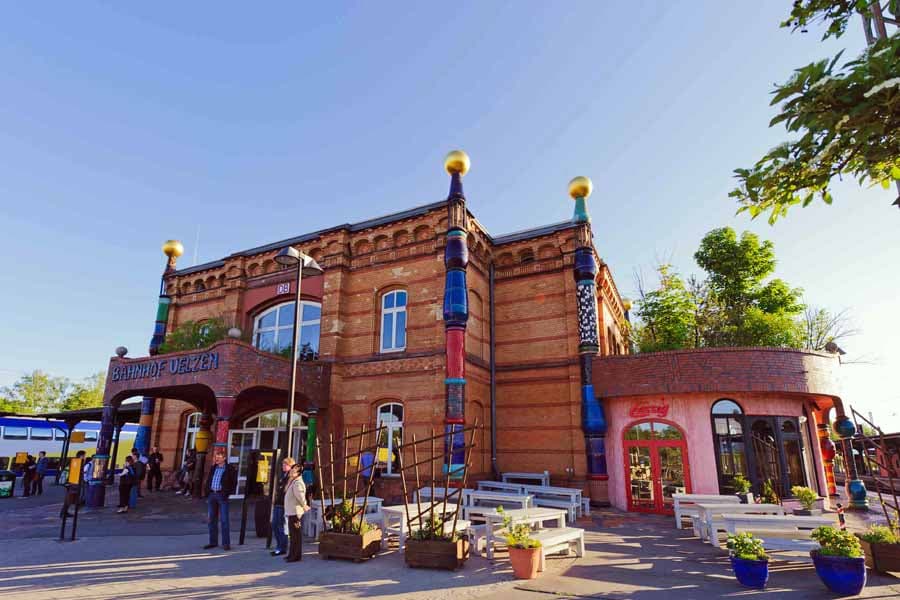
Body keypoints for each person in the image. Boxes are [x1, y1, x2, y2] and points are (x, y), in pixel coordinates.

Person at [203, 451, 237, 551]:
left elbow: (233, 482)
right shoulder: (214, 467)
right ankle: (213, 542)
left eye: (219, 457)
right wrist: (208, 492)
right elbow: (209, 480)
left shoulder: (229, 469)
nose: (216, 459)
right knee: (211, 520)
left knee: (224, 520)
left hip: (222, 495)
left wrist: (227, 493)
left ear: (224, 458)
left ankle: (226, 544)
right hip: (212, 494)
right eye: (216, 457)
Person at [283, 462, 310, 563]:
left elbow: (301, 497)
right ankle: (291, 554)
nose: (291, 471)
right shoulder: (293, 481)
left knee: (295, 536)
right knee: (293, 535)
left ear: (298, 473)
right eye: (292, 469)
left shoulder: (298, 483)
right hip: (291, 512)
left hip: (296, 513)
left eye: (293, 470)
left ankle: (295, 556)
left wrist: (304, 505)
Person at [270, 457, 295, 557]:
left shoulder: (291, 477)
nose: (283, 466)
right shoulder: (283, 476)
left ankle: (282, 547)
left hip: (284, 505)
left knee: (282, 527)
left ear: (291, 466)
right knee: (275, 525)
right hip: (278, 504)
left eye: (286, 465)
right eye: (283, 464)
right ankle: (278, 546)